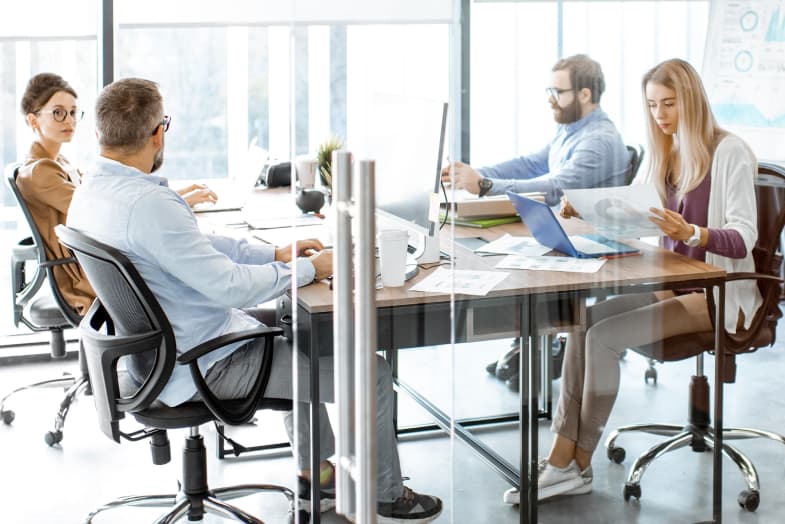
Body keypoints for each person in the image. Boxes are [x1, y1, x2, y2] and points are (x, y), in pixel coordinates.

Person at [66, 77, 442, 523]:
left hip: (153, 356)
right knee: (372, 372)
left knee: (307, 334)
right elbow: (230, 287)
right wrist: (309, 270)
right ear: (157, 133)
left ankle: (315, 475)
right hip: (203, 364)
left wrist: (276, 254)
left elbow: (198, 245)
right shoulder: (148, 203)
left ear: (99, 133)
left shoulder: (91, 194)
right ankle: (386, 494)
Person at [502, 58, 762, 506]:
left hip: (716, 295)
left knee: (604, 337)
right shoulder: (669, 152)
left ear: (692, 101)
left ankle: (576, 463)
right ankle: (562, 459)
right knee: (581, 323)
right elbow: (634, 213)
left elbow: (744, 237)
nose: (660, 115)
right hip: (673, 285)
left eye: (669, 104)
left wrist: (693, 234)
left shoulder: (729, 151)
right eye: (652, 105)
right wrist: (585, 208)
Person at [442, 54, 630, 385]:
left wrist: (485, 186)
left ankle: (543, 346)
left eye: (557, 91)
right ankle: (530, 344)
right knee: (501, 249)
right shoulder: (570, 129)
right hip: (565, 233)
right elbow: (530, 164)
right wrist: (475, 174)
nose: (549, 98)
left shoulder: (598, 139)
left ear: (584, 94)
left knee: (512, 257)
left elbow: (555, 188)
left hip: (590, 244)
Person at [16, 73, 218, 316]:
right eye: (58, 112)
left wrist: (177, 195)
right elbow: (101, 207)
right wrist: (178, 201)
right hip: (87, 273)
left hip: (94, 261)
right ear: (33, 120)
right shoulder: (39, 172)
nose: (68, 120)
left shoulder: (57, 162)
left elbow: (110, 197)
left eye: (72, 112)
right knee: (188, 271)